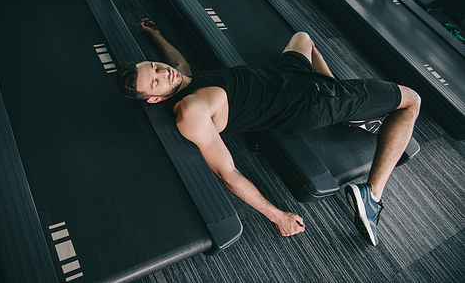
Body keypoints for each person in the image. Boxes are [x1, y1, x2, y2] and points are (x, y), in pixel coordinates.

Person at [116, 18, 421, 246]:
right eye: (155, 81)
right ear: (155, 99)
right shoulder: (191, 113)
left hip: (290, 77)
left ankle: (347, 108)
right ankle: (373, 196)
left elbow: (179, 63)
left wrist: (154, 35)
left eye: (155, 66)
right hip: (311, 102)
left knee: (303, 38)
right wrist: (279, 216)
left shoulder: (181, 80)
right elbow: (227, 171)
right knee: (411, 100)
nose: (163, 73)